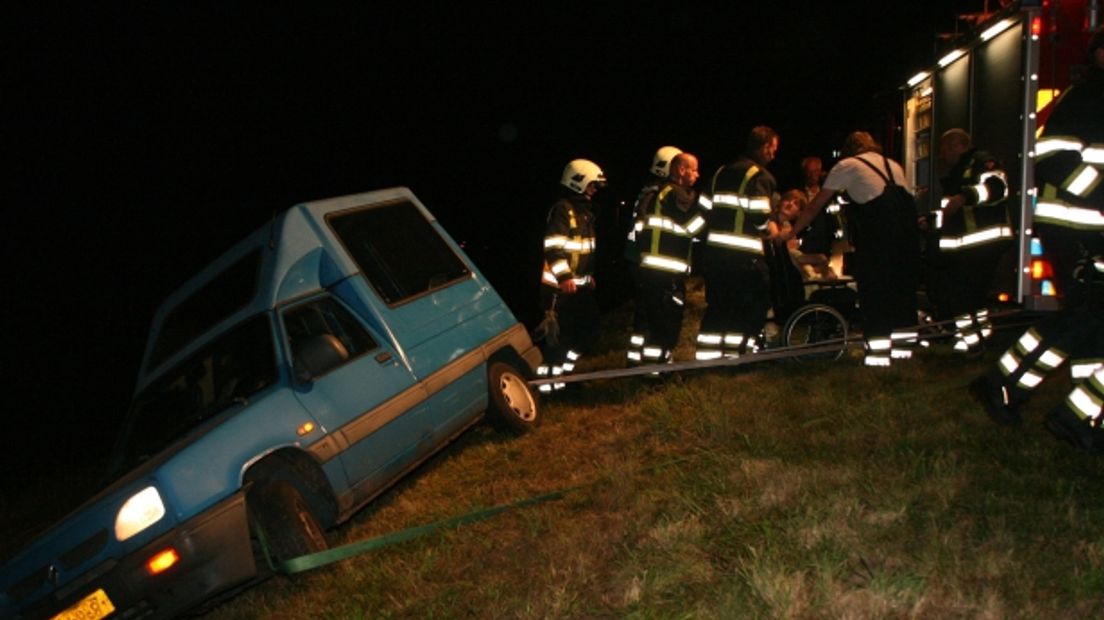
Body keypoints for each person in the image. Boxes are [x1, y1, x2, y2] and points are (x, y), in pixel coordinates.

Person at [970, 28, 1104, 451]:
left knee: (1091, 323)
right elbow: (1050, 158)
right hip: (1075, 226)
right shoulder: (1088, 97)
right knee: (1087, 319)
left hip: (1089, 227)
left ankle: (1083, 419)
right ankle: (1007, 386)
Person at [784, 131, 922, 367]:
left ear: (849, 150)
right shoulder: (894, 165)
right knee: (901, 293)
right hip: (908, 239)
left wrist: (790, 233)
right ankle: (904, 351)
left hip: (879, 239)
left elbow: (814, 207)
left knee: (875, 292)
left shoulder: (847, 166)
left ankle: (878, 356)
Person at [696, 126, 779, 361]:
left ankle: (708, 358)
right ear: (764, 148)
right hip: (745, 258)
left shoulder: (720, 172)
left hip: (714, 256)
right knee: (750, 306)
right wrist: (770, 230)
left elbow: (702, 209)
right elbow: (759, 214)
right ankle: (737, 358)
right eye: (772, 150)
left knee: (719, 306)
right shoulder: (760, 176)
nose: (773, 155)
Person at [927, 128, 1011, 357]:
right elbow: (954, 213)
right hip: (967, 248)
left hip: (981, 245)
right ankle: (980, 340)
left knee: (962, 297)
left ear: (957, 145)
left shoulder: (982, 162)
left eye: (944, 149)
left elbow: (997, 188)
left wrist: (964, 196)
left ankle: (974, 346)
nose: (942, 155)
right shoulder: (959, 170)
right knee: (973, 299)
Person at [626, 152, 706, 367]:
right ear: (681, 170)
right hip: (666, 274)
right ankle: (656, 375)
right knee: (666, 327)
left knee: (653, 324)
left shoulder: (656, 193)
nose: (698, 175)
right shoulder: (676, 195)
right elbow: (692, 228)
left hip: (650, 271)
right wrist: (708, 210)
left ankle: (648, 369)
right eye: (694, 169)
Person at [536, 158, 605, 393]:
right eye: (592, 185)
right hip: (558, 290)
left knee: (589, 331)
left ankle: (564, 375)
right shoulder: (563, 210)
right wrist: (565, 277)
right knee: (558, 341)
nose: (595, 190)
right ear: (578, 182)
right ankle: (550, 388)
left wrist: (588, 276)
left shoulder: (584, 212)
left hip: (580, 287)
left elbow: (582, 251)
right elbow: (553, 247)